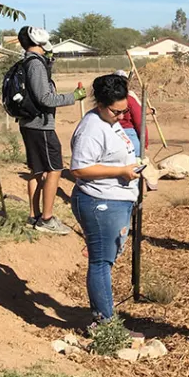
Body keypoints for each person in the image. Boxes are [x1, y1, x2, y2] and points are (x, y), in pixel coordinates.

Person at [69, 73, 141, 324]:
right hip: (99, 201)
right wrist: (120, 171)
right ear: (100, 103)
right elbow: (78, 169)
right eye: (117, 112)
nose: (122, 117)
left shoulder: (110, 121)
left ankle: (105, 317)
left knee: (106, 259)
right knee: (100, 261)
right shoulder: (91, 129)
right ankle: (105, 323)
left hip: (117, 198)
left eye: (125, 111)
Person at [17, 26, 85, 234]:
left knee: (36, 171)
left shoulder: (30, 62)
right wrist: (74, 96)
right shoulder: (35, 65)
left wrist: (49, 61)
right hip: (41, 126)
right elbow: (45, 98)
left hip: (30, 124)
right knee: (54, 169)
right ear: (38, 41)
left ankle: (33, 216)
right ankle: (46, 219)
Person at [113, 70, 144, 157]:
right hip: (128, 134)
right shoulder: (130, 98)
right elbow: (139, 120)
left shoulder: (105, 98)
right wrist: (144, 143)